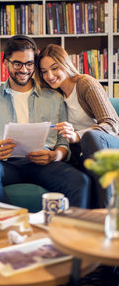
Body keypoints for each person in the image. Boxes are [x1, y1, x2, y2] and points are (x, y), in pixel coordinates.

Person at [0, 35, 90, 208]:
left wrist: (55, 155)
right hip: (4, 165)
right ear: (6, 63)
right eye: (17, 64)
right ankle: (7, 222)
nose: (24, 70)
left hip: (42, 164)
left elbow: (62, 142)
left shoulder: (54, 98)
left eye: (29, 64)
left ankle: (67, 233)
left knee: (80, 181)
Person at [37, 43, 119, 208]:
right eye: (44, 71)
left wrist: (77, 135)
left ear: (65, 64)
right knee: (73, 176)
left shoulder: (85, 84)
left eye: (55, 68)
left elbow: (112, 124)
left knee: (89, 137)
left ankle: (104, 212)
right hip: (82, 156)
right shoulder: (54, 96)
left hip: (108, 146)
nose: (50, 75)